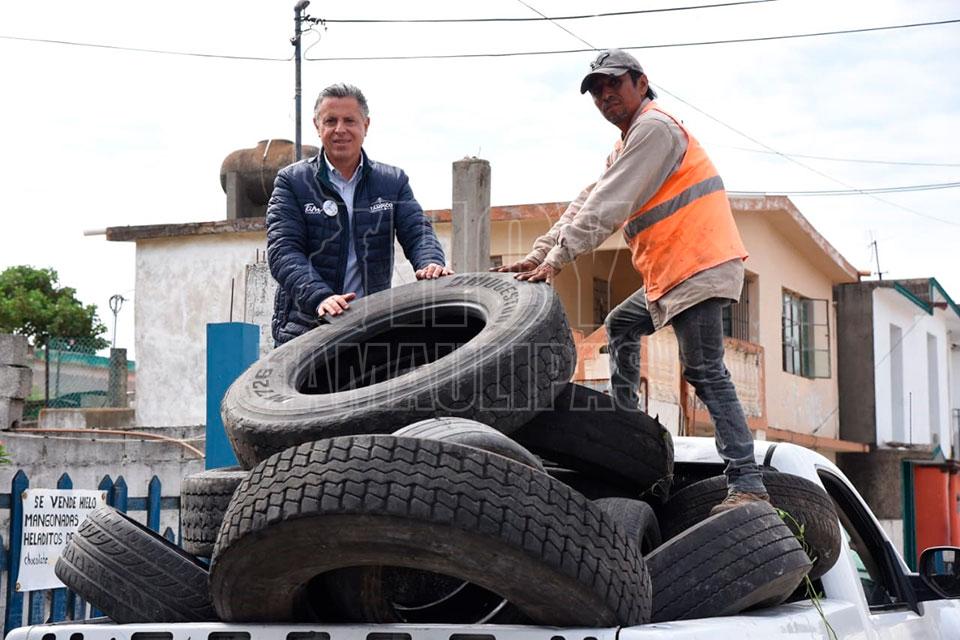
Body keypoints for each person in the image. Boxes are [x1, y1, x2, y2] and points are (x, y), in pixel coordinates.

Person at [495, 50, 767, 512]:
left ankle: (747, 481)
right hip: (672, 273)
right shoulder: (624, 147)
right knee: (621, 325)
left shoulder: (655, 129)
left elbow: (610, 204)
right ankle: (627, 430)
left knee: (705, 370)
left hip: (700, 264)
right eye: (597, 91)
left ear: (641, 83)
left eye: (614, 85)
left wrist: (559, 258)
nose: (605, 96)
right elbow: (588, 200)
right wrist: (539, 253)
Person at [267, 83, 451, 345]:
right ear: (317, 126)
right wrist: (320, 297)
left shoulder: (392, 182)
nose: (340, 129)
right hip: (305, 330)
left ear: (366, 125)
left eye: (349, 121)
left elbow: (418, 232)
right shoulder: (292, 182)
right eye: (330, 121)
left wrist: (430, 262)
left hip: (369, 330)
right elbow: (283, 251)